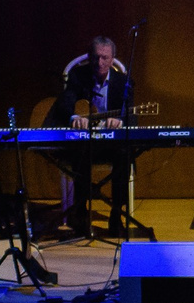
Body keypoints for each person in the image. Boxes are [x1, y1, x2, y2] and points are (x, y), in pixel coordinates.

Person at [48, 36, 133, 234]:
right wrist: (74, 117)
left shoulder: (123, 81)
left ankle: (116, 214)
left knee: (124, 153)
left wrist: (120, 121)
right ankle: (81, 212)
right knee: (81, 151)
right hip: (85, 142)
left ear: (112, 60)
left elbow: (130, 112)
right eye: (95, 58)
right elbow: (64, 104)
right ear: (89, 57)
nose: (99, 63)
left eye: (105, 58)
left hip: (111, 144)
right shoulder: (78, 75)